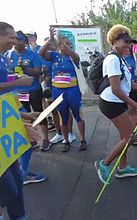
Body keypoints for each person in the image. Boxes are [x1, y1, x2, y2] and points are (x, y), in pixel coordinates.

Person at [94, 24, 137, 183]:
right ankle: (104, 164)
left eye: (131, 43)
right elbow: (116, 90)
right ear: (115, 42)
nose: (130, 45)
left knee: (125, 136)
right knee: (130, 137)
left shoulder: (120, 60)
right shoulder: (113, 60)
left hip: (117, 101)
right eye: (125, 42)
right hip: (111, 103)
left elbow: (130, 85)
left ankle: (122, 168)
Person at [0, 21, 34, 220]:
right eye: (10, 38)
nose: (14, 42)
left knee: (17, 183)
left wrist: (23, 115)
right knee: (7, 190)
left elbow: (4, 99)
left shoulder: (4, 59)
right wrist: (20, 82)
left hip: (6, 128)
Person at [39, 27, 87, 152]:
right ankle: (65, 139)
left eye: (70, 44)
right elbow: (41, 53)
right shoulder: (54, 56)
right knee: (62, 116)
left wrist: (64, 45)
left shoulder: (73, 57)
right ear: (59, 46)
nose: (69, 46)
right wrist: (50, 40)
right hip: (58, 90)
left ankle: (83, 139)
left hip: (73, 90)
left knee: (78, 115)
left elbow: (75, 56)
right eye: (66, 44)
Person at [7, 31, 51, 151]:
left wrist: (24, 68)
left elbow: (38, 72)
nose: (17, 42)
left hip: (33, 90)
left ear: (25, 42)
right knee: (25, 116)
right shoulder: (9, 55)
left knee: (39, 114)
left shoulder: (33, 55)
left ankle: (46, 139)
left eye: (20, 40)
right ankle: (32, 140)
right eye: (15, 39)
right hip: (18, 92)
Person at [125, 40, 137, 145]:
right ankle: (126, 134)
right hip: (123, 87)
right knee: (125, 112)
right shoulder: (121, 57)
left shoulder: (135, 58)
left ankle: (134, 135)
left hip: (133, 86)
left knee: (132, 110)